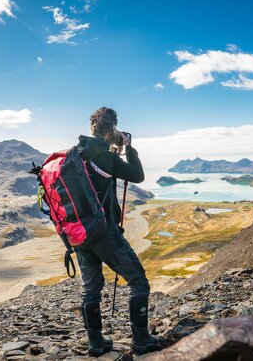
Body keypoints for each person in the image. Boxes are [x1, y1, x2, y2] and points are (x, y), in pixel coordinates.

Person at [76, 107, 161, 356]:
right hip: (103, 232)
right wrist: (129, 149)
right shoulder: (104, 156)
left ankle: (96, 343)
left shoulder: (78, 153)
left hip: (80, 234)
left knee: (91, 288)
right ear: (112, 127)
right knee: (138, 281)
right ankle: (142, 341)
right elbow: (138, 175)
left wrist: (115, 148)